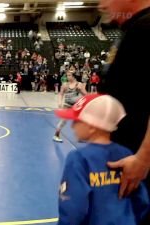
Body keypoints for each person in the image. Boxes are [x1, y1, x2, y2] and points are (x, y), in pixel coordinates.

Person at [55, 94, 149, 225]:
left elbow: (73, 209)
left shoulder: (78, 159)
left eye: (77, 121)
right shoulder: (128, 156)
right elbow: (142, 201)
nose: (72, 126)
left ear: (92, 126)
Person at [97, 1, 150, 220]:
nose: (102, 4)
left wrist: (143, 159)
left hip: (138, 170)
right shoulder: (132, 28)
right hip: (126, 162)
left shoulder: (146, 28)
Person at [54, 71, 87, 142]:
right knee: (63, 121)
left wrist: (81, 90)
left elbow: (86, 95)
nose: (67, 77)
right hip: (67, 105)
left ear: (73, 76)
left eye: (69, 75)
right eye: (67, 75)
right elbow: (61, 94)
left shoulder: (79, 84)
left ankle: (80, 137)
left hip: (76, 106)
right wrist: (59, 102)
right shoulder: (65, 84)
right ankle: (56, 135)